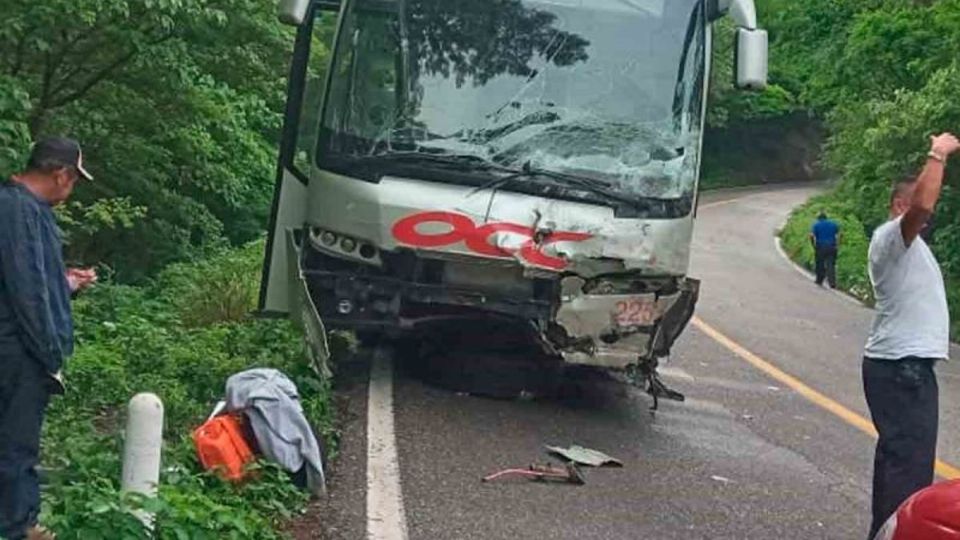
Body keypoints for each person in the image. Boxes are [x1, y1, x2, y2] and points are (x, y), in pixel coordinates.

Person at [863, 132, 960, 540]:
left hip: (903, 367)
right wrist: (938, 154)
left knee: (900, 465)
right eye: (918, 211)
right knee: (908, 470)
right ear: (900, 205)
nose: (927, 218)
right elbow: (922, 204)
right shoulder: (891, 238)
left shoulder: (909, 248)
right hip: (903, 368)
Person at [0, 137, 97, 540]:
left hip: (18, 344)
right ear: (61, 174)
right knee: (15, 444)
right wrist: (49, 354)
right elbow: (27, 291)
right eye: (73, 180)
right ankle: (18, 527)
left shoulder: (22, 208)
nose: (70, 191)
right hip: (17, 351)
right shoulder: (18, 211)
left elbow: (28, 281)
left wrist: (65, 284)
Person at [810, 211, 841, 288]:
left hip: (821, 246)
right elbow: (839, 234)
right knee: (831, 264)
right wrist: (837, 244)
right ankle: (832, 282)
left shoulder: (816, 225)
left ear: (819, 218)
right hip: (832, 246)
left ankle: (819, 280)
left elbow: (811, 235)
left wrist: (813, 244)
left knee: (820, 263)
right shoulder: (833, 224)